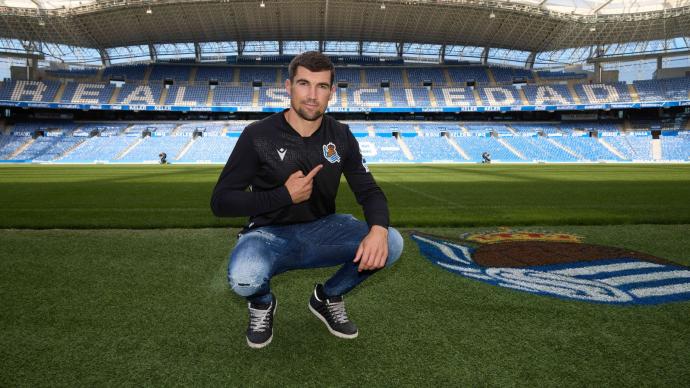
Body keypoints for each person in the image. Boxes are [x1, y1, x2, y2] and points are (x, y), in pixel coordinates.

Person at [210, 51, 403, 349]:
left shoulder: (341, 136)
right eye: (304, 84)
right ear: (288, 87)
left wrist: (377, 230)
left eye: (321, 86)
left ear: (331, 92)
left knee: (390, 242)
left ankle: (326, 297)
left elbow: (369, 191)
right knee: (245, 277)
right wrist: (283, 195)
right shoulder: (257, 136)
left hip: (323, 230)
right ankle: (261, 303)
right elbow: (221, 202)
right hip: (266, 234)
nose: (312, 95)